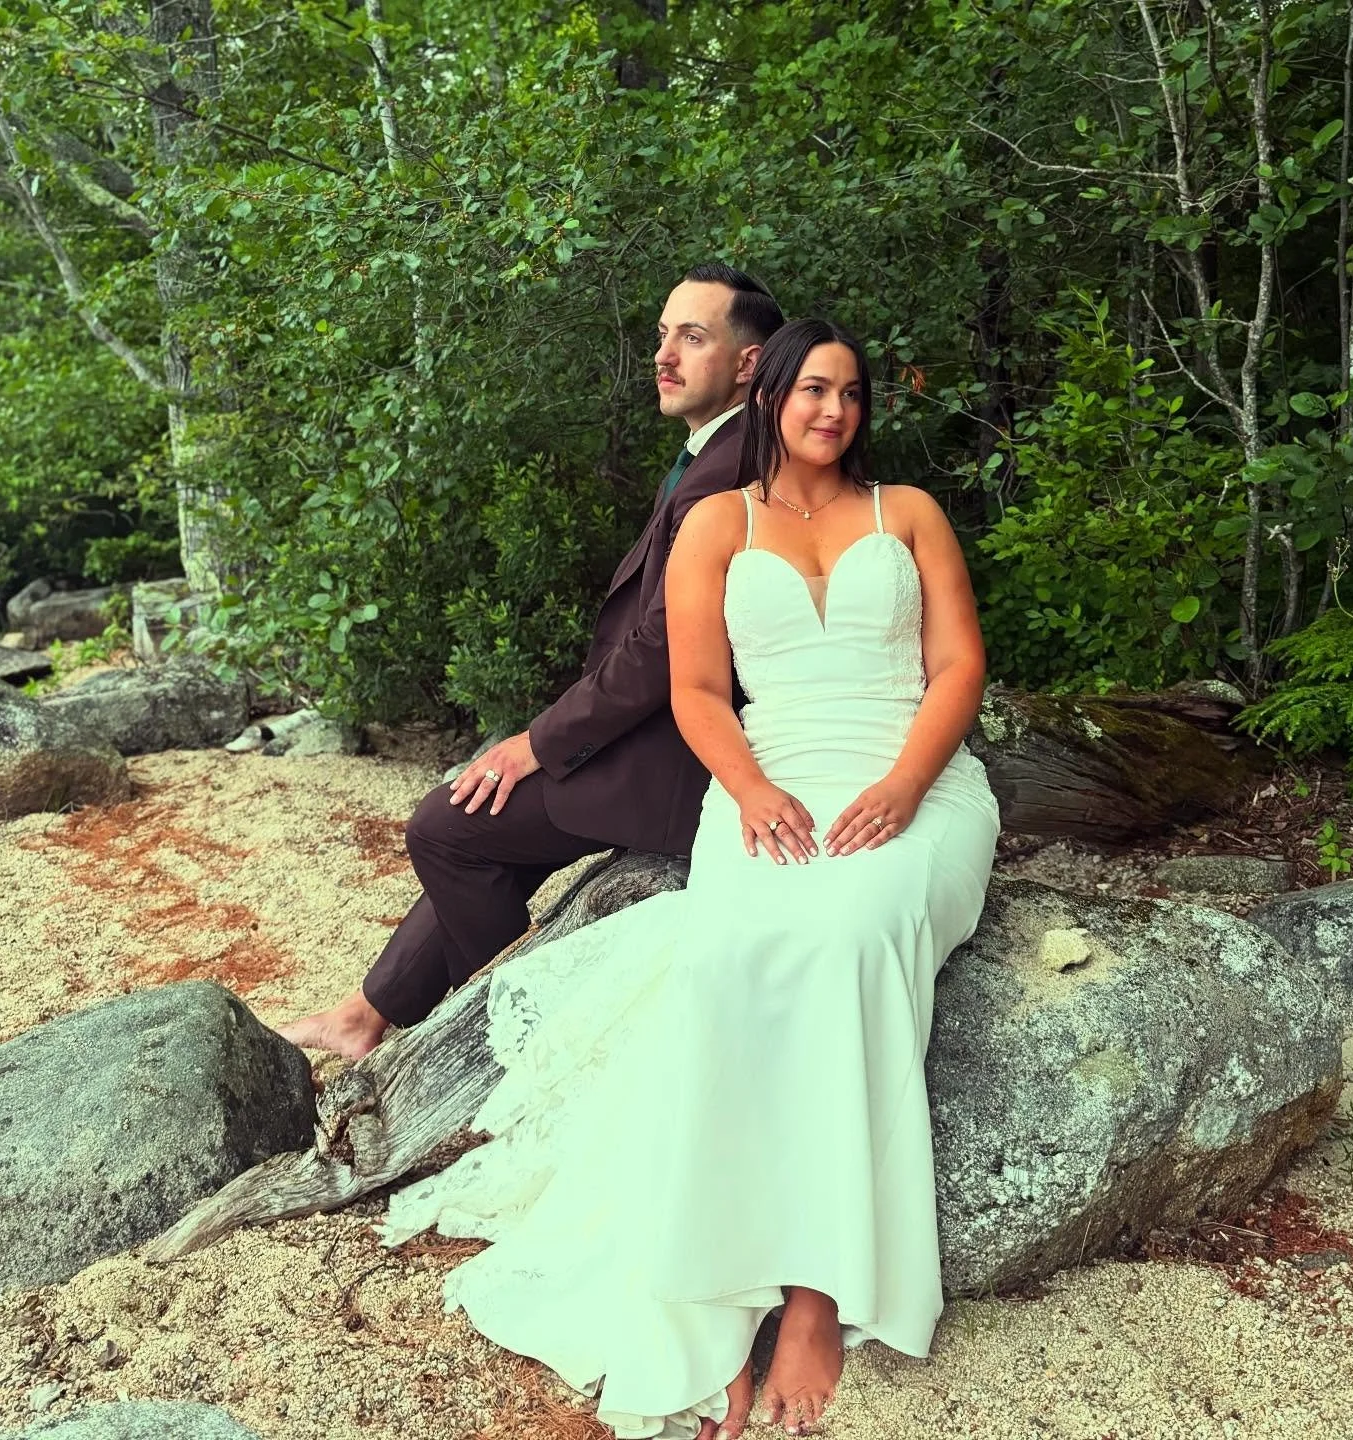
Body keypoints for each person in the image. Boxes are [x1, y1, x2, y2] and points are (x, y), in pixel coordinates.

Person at [382, 318, 1001, 1440]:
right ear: (771, 393)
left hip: (914, 777)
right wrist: (755, 792)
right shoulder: (717, 521)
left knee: (856, 936)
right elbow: (700, 693)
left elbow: (958, 665)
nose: (834, 412)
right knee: (724, 959)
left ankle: (817, 1292)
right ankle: (715, 1297)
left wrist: (910, 785)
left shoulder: (904, 514)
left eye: (853, 395)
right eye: (814, 389)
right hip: (770, 776)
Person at [277, 264, 785, 1060]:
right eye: (661, 335)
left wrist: (537, 744)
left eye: (692, 336)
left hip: (678, 758)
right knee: (485, 817)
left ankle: (524, 1035)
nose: (664, 354)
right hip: (652, 732)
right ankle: (363, 1015)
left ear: (748, 363)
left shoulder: (730, 467)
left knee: (446, 828)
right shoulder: (715, 452)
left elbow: (659, 653)